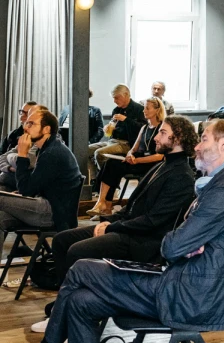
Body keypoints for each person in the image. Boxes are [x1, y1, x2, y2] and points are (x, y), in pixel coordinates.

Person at [0, 119, 224, 343]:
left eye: (204, 139)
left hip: (187, 298)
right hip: (177, 283)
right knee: (80, 301)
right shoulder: (217, 185)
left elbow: (173, 244)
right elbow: (179, 243)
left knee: (81, 268)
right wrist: (187, 243)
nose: (198, 146)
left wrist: (183, 243)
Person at [50, 116, 198, 286]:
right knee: (61, 240)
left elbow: (152, 222)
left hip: (143, 242)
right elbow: (132, 206)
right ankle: (65, 297)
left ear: (178, 138)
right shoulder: (163, 165)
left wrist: (111, 227)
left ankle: (76, 302)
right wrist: (109, 221)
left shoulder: (182, 176)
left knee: (77, 251)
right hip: (129, 230)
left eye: (163, 133)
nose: (156, 137)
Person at [0, 109, 82, 240]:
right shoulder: (46, 148)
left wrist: (22, 155)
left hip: (53, 213)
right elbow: (33, 185)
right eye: (26, 123)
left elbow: (26, 189)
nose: (26, 127)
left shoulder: (52, 153)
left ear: (46, 129)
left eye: (31, 124)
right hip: (45, 203)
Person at [88, 96, 165, 218]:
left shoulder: (162, 128)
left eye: (147, 108)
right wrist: (130, 156)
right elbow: (133, 149)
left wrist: (137, 160)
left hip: (150, 163)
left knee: (114, 167)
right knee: (111, 163)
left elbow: (160, 156)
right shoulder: (144, 127)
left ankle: (105, 206)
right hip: (138, 160)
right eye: (144, 108)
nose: (144, 111)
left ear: (156, 110)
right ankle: (103, 203)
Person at [87, 85, 145, 187]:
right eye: (113, 98)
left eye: (116, 97)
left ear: (126, 95)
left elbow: (142, 128)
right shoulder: (116, 110)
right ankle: (94, 180)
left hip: (127, 143)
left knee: (99, 153)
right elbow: (111, 128)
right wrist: (108, 128)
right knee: (85, 150)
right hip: (113, 140)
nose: (114, 101)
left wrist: (126, 120)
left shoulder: (139, 109)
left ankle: (109, 182)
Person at [0, 101, 39, 184]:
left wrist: (10, 156)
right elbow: (1, 157)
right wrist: (9, 168)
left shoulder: (40, 138)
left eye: (27, 113)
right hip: (8, 174)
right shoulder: (12, 135)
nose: (22, 116)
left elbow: (28, 161)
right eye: (21, 112)